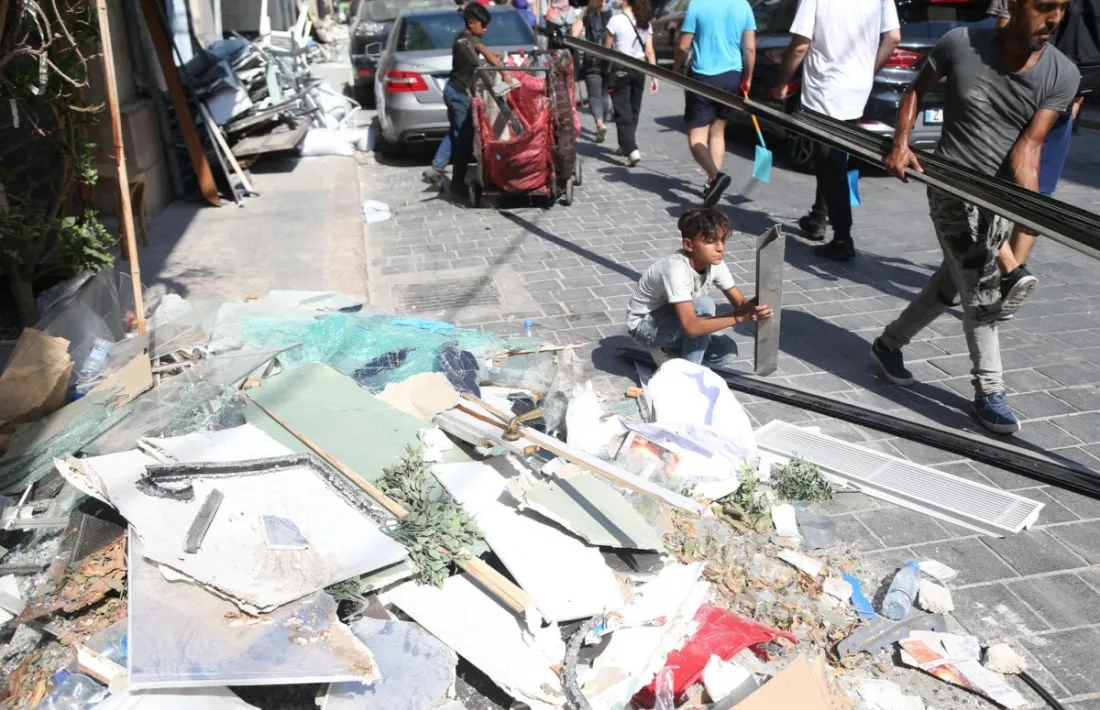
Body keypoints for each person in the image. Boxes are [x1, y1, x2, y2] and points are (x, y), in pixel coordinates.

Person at [873, 0, 1079, 434]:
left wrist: (1031, 210)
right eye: (1045, 7)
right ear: (1017, 5)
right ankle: (990, 392)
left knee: (953, 281)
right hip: (950, 189)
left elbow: (1030, 147)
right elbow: (913, 91)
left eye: (1061, 8)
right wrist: (901, 141)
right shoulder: (960, 43)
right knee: (981, 290)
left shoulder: (1062, 73)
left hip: (999, 200)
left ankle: (888, 344)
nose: (1055, 18)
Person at [772, 0, 901, 261]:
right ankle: (818, 217)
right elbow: (893, 38)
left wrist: (783, 82)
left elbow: (800, 45)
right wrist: (868, 70)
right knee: (832, 156)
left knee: (831, 162)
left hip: (826, 89)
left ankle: (843, 237)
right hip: (856, 89)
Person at [987, 0, 1086, 315]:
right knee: (1038, 189)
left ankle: (1010, 271)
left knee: (981, 185)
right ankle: (1012, 276)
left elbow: (1001, 39)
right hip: (1064, 94)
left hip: (1020, 94)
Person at [627, 207, 773, 366]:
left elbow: (741, 304)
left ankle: (672, 356)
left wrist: (762, 301)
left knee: (726, 351)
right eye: (710, 242)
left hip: (677, 324)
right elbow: (691, 327)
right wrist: (740, 317)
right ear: (689, 245)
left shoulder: (716, 264)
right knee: (704, 304)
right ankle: (687, 377)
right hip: (645, 327)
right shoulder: (676, 269)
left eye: (722, 240)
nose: (720, 248)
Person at [423, 4, 519, 193]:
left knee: (455, 132)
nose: (485, 29)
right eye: (483, 25)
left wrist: (493, 57)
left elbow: (476, 58)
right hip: (459, 95)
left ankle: (436, 168)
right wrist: (505, 75)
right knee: (464, 139)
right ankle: (457, 182)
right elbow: (484, 52)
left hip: (451, 91)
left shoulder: (461, 39)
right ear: (471, 23)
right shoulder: (469, 39)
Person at [673, 0, 756, 207]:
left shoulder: (697, 5)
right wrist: (748, 76)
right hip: (732, 76)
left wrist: (675, 69)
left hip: (704, 77)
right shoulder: (743, 5)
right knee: (718, 132)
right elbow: (750, 48)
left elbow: (683, 46)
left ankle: (715, 176)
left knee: (696, 137)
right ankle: (712, 184)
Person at [604, 0, 658, 166]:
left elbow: (606, 48)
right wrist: (654, 76)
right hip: (640, 68)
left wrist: (601, 65)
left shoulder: (615, 21)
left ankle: (632, 149)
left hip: (621, 67)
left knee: (622, 110)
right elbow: (649, 50)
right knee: (634, 109)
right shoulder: (644, 20)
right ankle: (625, 145)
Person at [572, 0, 614, 142]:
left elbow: (574, 34)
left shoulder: (586, 12)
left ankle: (599, 123)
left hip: (591, 58)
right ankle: (603, 123)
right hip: (608, 58)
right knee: (604, 93)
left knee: (594, 95)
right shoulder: (612, 12)